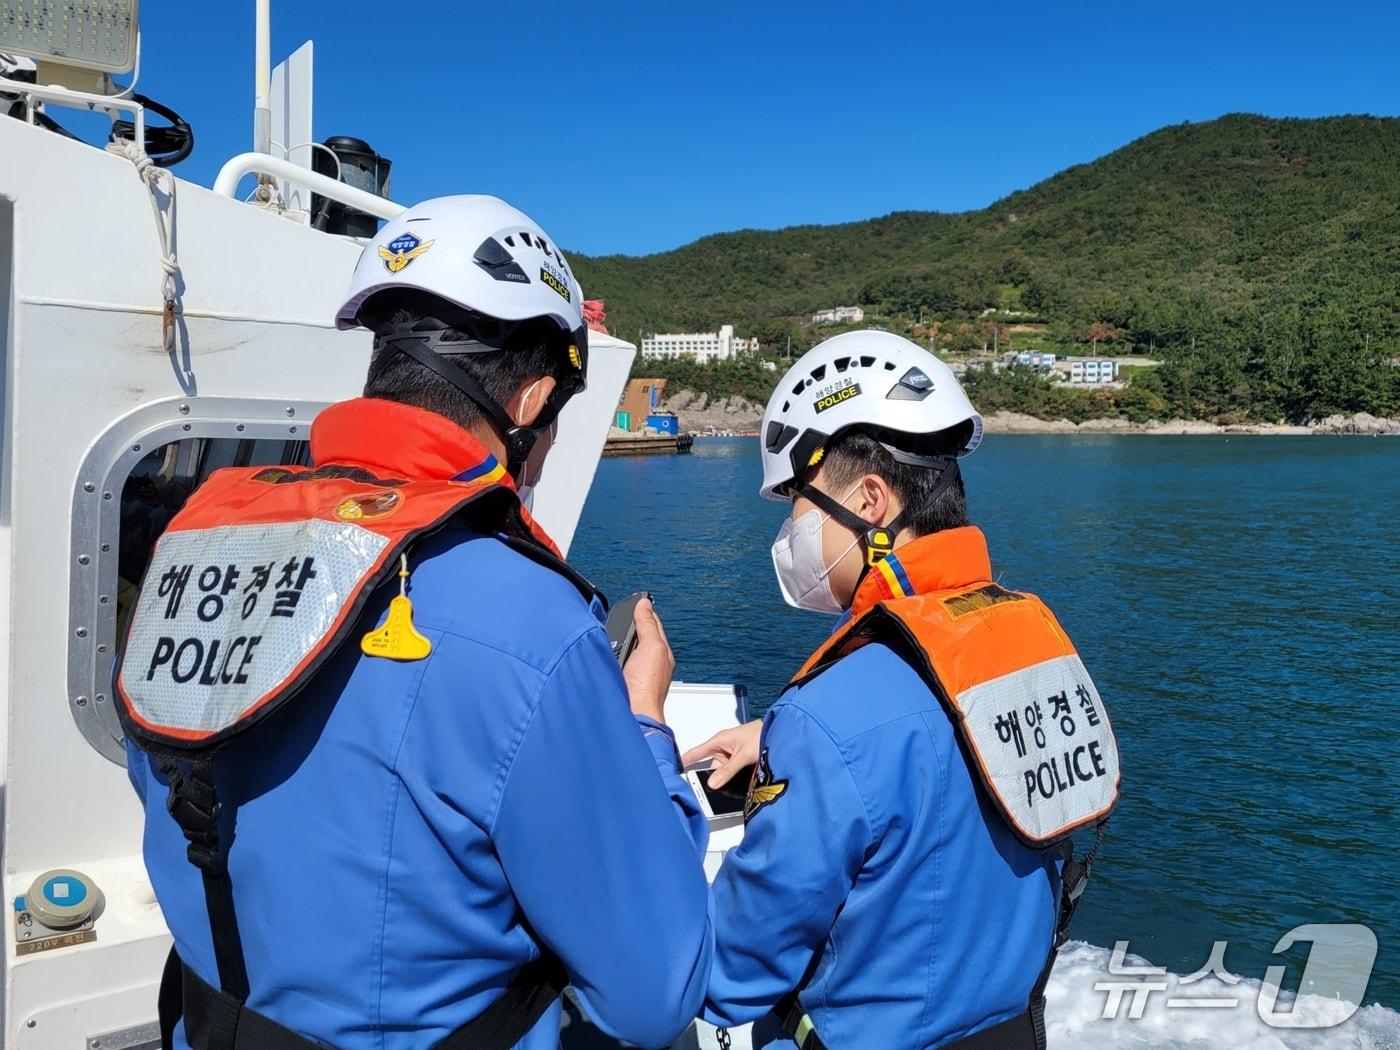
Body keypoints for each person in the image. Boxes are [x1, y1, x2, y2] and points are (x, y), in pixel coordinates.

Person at [116, 195, 712, 1050]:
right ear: (534, 400)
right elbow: (657, 993)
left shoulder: (197, 547)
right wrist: (644, 723)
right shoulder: (532, 623)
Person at [684, 331, 1120, 1049]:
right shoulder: (1023, 639)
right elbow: (941, 735)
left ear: (872, 500)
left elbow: (732, 972)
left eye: (798, 504)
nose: (790, 533)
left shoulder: (829, 719)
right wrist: (786, 739)